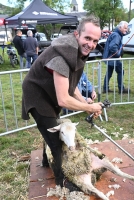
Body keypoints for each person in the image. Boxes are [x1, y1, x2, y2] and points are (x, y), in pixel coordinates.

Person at [21, 16, 102, 191]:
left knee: (52, 127)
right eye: (87, 38)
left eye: (95, 40)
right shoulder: (62, 56)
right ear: (76, 34)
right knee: (57, 142)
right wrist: (90, 107)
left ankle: (45, 161)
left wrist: (84, 102)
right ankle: (63, 182)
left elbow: (71, 86)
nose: (91, 44)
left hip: (48, 92)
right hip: (37, 95)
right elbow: (63, 99)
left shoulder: (77, 51)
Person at [103, 21, 130, 94]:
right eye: (125, 28)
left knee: (109, 73)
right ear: (120, 27)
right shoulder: (116, 35)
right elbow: (113, 47)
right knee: (121, 72)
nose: (126, 30)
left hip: (109, 58)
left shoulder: (117, 33)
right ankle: (121, 89)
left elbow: (126, 33)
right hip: (113, 58)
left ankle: (105, 88)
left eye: (126, 28)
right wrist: (118, 55)